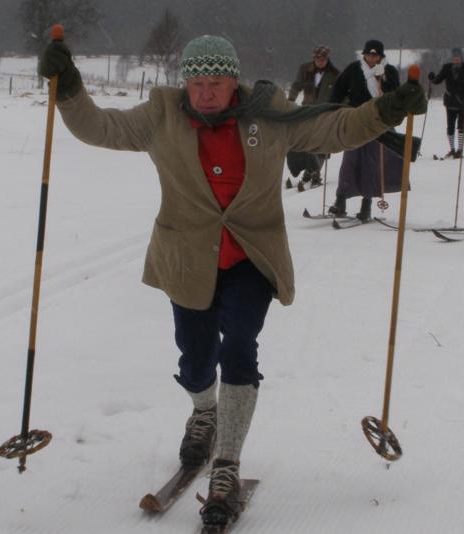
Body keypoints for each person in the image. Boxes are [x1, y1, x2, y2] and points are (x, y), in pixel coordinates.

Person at [38, 34, 425, 528]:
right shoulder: (162, 115)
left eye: (215, 83)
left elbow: (336, 128)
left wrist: (387, 109)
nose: (205, 93)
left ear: (233, 81)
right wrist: (68, 85)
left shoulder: (270, 113)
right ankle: (204, 411)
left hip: (251, 256)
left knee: (239, 344)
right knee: (195, 358)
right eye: (196, 83)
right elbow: (100, 127)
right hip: (186, 258)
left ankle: (227, 464)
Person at [328, 39, 404, 221]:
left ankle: (367, 204)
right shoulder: (354, 69)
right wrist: (332, 109)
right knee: (350, 159)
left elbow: (396, 96)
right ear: (364, 55)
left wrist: (381, 80)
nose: (371, 58)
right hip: (355, 120)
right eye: (369, 55)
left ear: (380, 56)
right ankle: (340, 200)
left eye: (375, 55)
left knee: (371, 162)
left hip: (377, 122)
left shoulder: (389, 71)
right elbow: (339, 90)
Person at [286, 45, 340, 190]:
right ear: (313, 58)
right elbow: (296, 85)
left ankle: (316, 172)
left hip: (325, 113)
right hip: (307, 111)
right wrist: (290, 101)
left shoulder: (334, 74)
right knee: (305, 142)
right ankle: (308, 170)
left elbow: (340, 93)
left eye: (323, 59)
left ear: (327, 59)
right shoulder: (305, 69)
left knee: (322, 144)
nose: (320, 61)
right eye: (317, 58)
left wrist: (338, 108)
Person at [428, 48, 464, 158]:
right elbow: (438, 80)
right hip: (450, 102)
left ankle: (460, 151)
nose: (456, 59)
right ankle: (452, 149)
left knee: (461, 126)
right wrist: (432, 78)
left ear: (461, 58)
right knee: (450, 127)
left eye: (458, 57)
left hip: (463, 102)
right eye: (454, 57)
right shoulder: (446, 68)